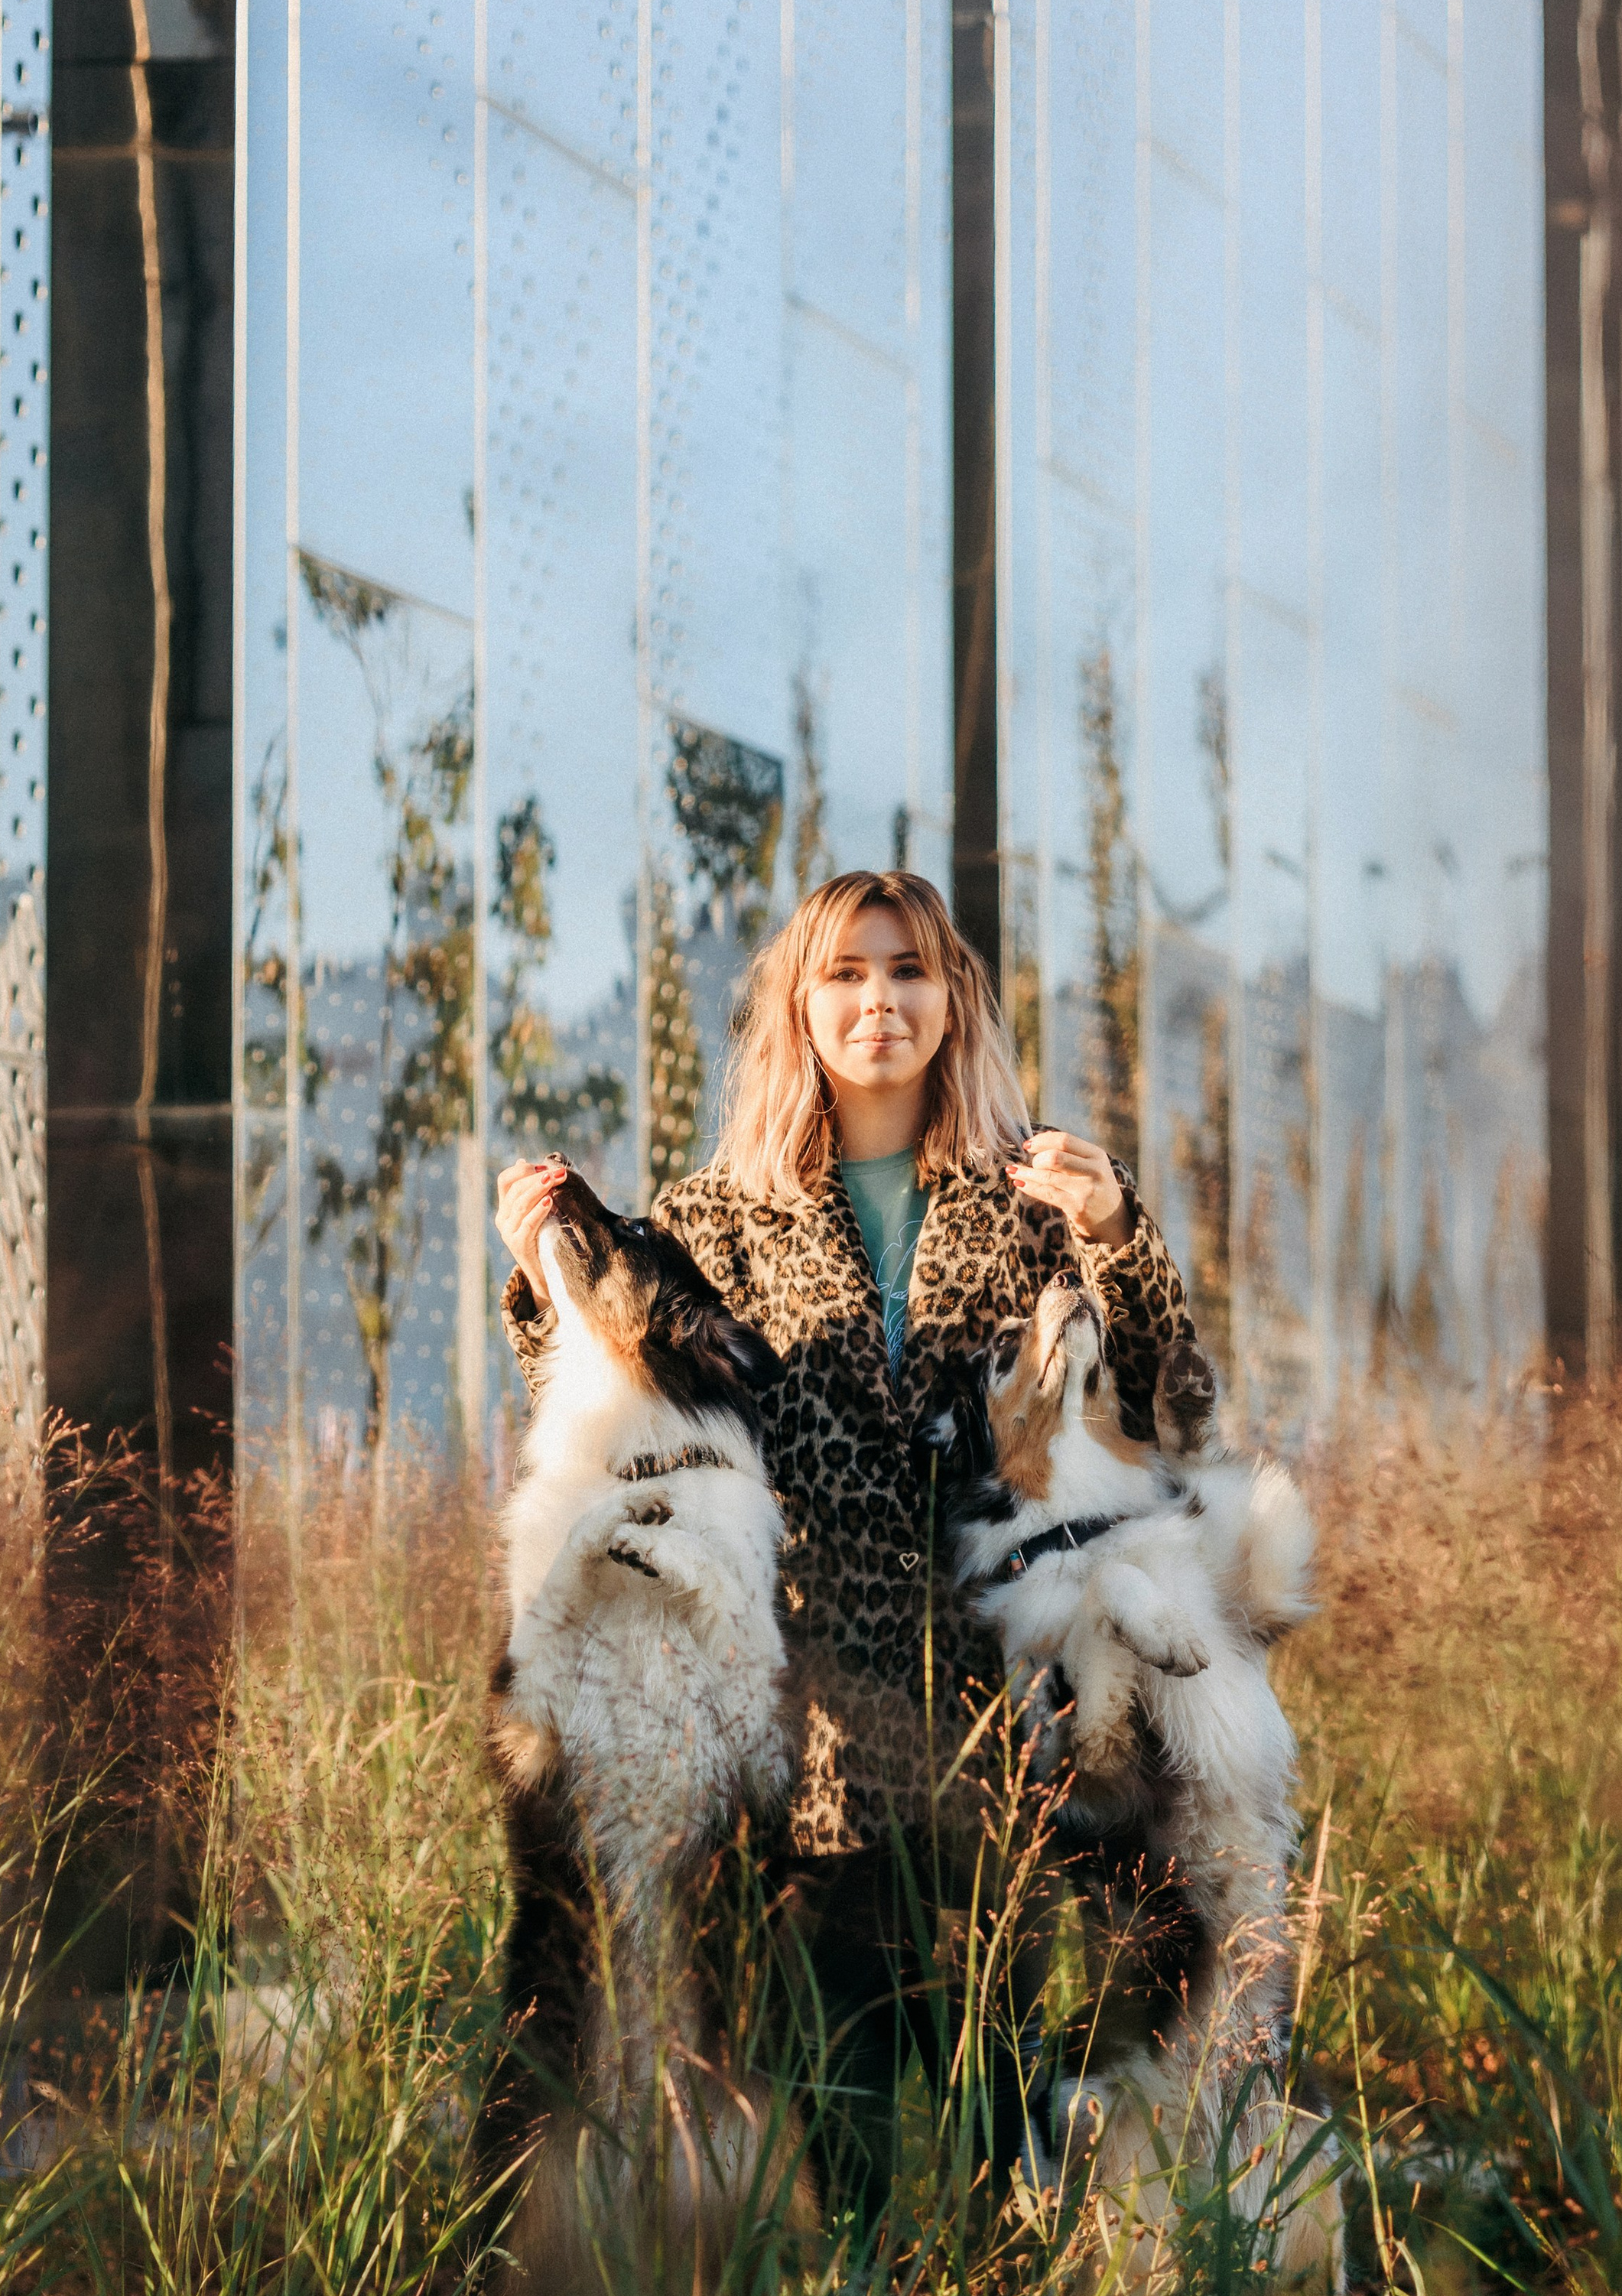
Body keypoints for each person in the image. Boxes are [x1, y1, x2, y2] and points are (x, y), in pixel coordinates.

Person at [493, 868, 1192, 2221]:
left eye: (908, 970)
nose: (879, 1000)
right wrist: (541, 1277)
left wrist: (1121, 1235)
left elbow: (1156, 1404)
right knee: (838, 2096)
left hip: (997, 1694)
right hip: (803, 1700)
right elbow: (631, 1425)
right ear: (799, 1007)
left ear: (954, 999)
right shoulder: (713, 1217)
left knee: (1008, 2078)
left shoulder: (1036, 1203)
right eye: (847, 973)